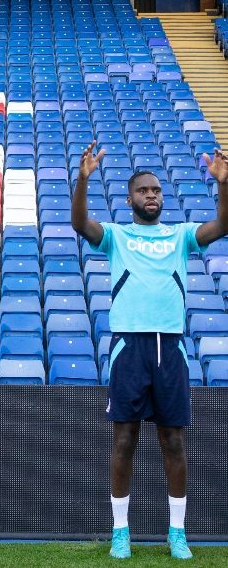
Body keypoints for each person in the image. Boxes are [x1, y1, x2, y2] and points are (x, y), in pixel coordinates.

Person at [71, 142, 228, 560]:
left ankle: (177, 533)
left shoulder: (180, 236)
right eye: (143, 191)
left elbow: (222, 226)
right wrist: (83, 179)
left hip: (170, 346)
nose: (151, 195)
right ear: (130, 200)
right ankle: (120, 532)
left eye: (156, 190)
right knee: (124, 439)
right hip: (129, 345)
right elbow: (80, 223)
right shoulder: (117, 236)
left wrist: (224, 185)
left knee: (173, 440)